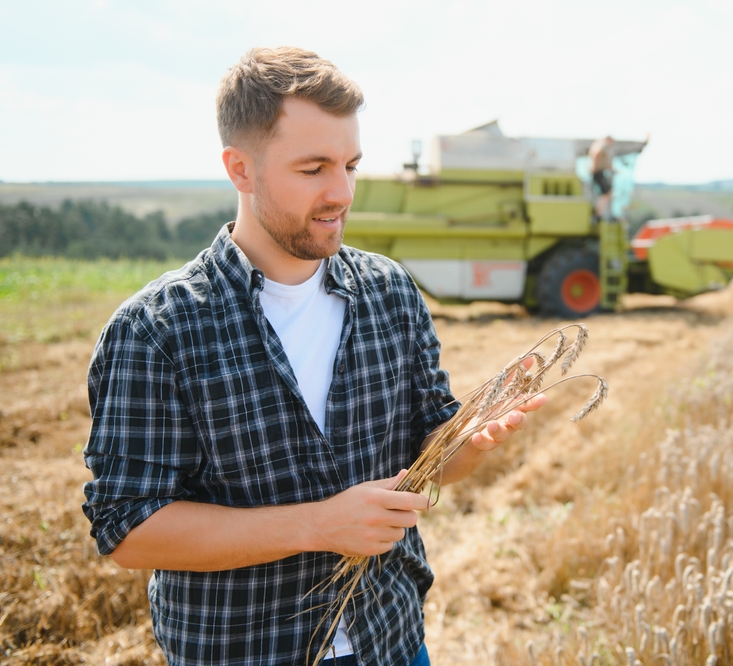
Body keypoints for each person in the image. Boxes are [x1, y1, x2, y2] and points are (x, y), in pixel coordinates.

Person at [82, 46, 545, 666]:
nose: (342, 192)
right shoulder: (157, 329)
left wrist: (466, 443)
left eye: (351, 165)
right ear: (239, 169)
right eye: (313, 169)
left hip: (393, 640)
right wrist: (318, 525)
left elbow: (427, 454)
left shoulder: (389, 291)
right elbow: (128, 529)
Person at [588, 135, 615, 221]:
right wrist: (595, 168)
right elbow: (598, 154)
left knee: (606, 193)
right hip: (599, 172)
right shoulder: (602, 146)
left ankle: (598, 213)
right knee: (606, 193)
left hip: (599, 172)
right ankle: (597, 215)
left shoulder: (598, 145)